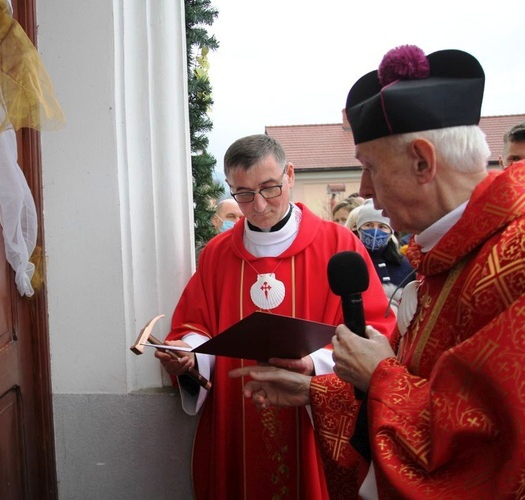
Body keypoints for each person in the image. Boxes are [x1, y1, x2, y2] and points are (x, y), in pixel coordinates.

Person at [231, 45, 525, 498]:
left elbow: (493, 449)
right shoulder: (449, 253)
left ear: (423, 162)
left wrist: (381, 373)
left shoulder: (515, 260)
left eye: (369, 168)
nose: (364, 191)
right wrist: (316, 393)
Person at [155, 134, 395, 499]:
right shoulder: (218, 253)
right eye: (244, 194)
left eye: (269, 188)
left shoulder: (338, 245)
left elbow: (374, 331)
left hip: (311, 418)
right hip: (236, 414)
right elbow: (196, 322)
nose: (260, 204)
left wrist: (313, 364)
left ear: (290, 175)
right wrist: (191, 356)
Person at [355, 199, 415, 312]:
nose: (375, 231)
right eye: (368, 225)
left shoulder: (405, 266)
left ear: (391, 232)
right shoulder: (350, 263)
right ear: (359, 229)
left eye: (382, 226)